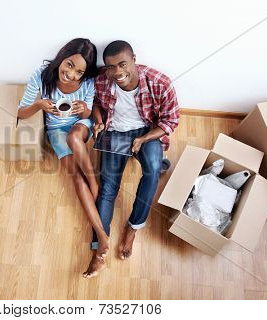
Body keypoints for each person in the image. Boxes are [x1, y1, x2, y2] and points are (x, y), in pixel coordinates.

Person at [83, 40, 180, 278]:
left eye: (122, 64)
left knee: (153, 170)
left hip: (146, 132)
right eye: (110, 67)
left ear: (134, 59)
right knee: (108, 188)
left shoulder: (160, 82)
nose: (117, 72)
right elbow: (95, 103)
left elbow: (170, 121)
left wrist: (144, 139)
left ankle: (133, 227)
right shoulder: (103, 80)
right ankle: (99, 248)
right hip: (115, 131)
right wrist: (98, 120)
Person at [17, 38, 110, 259]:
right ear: (62, 56)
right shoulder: (41, 75)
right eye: (69, 65)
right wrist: (39, 104)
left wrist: (85, 109)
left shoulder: (87, 82)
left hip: (80, 125)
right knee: (76, 179)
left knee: (75, 138)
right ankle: (101, 235)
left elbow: (88, 115)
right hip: (56, 130)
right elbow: (21, 112)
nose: (71, 74)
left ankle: (94, 182)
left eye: (79, 71)